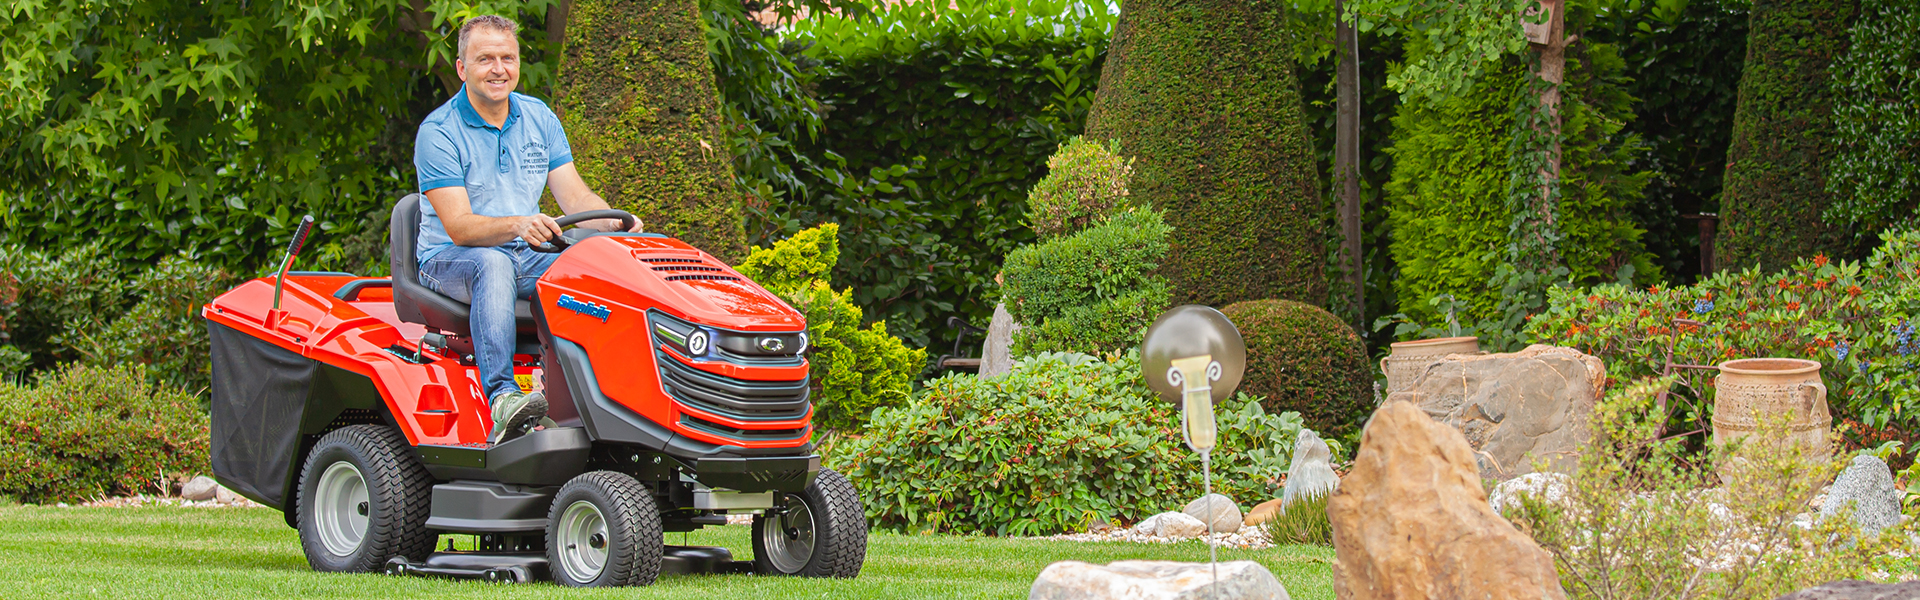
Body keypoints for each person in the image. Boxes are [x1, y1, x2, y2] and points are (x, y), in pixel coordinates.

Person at [413, 15, 642, 443]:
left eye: (507, 58)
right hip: (449, 260)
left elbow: (575, 199)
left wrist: (614, 221)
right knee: (494, 263)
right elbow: (460, 228)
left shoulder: (538, 118)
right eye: (485, 59)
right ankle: (503, 397)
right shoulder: (439, 133)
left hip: (524, 252)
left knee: (595, 274)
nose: (498, 68)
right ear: (462, 68)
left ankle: (597, 395)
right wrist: (519, 223)